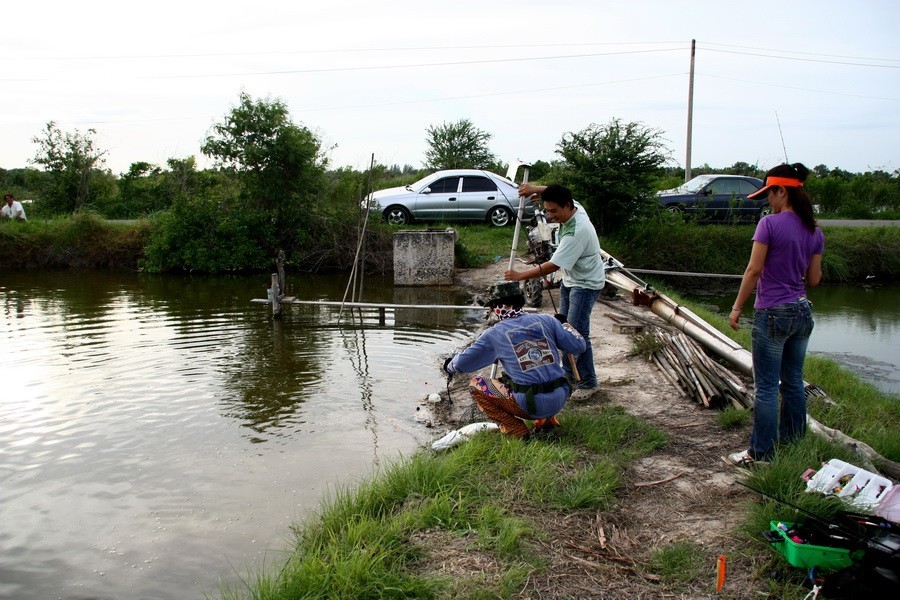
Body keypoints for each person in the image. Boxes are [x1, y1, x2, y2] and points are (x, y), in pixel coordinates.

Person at [726, 163, 824, 467]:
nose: (768, 200)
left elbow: (754, 270)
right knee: (793, 382)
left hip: (773, 312)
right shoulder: (815, 231)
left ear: (783, 190)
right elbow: (815, 280)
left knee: (767, 386)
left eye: (770, 193)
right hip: (802, 311)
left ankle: (761, 454)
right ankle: (793, 444)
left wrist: (737, 307)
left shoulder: (768, 225)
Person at [443, 282, 587, 439]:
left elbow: (462, 364)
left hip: (530, 405)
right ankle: (547, 422)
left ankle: (516, 430)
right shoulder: (548, 320)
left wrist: (449, 365)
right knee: (529, 373)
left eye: (492, 308)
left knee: (477, 385)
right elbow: (579, 346)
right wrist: (564, 324)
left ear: (498, 307)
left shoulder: (494, 334)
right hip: (560, 396)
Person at [503, 184, 605, 390]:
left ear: (567, 206)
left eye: (553, 211)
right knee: (562, 328)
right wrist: (533, 188)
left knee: (576, 335)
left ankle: (587, 383)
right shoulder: (575, 207)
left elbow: (553, 266)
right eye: (547, 210)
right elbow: (556, 190)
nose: (549, 215)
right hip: (571, 280)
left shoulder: (577, 232)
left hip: (586, 285)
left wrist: (520, 275)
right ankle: (568, 373)